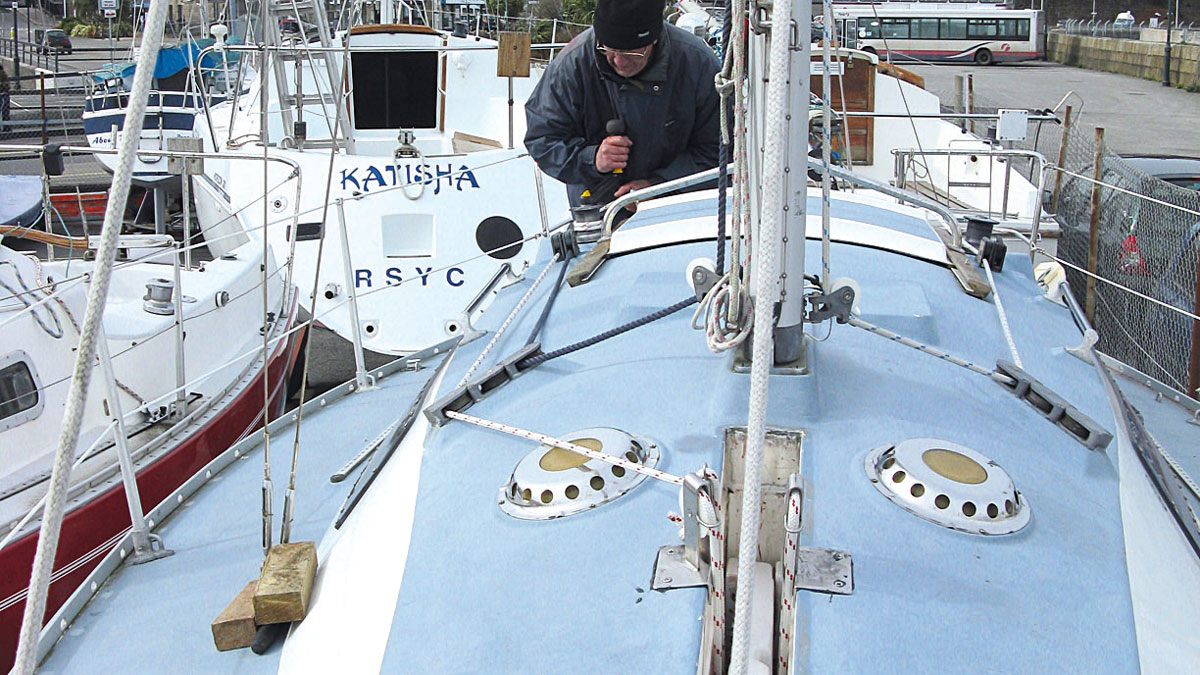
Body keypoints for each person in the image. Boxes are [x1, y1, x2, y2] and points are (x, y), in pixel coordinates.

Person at [523, 0, 721, 212]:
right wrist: (593, 159)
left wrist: (658, 186)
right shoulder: (571, 64)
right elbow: (542, 139)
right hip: (597, 211)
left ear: (654, 39)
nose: (619, 62)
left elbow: (719, 150)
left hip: (678, 208)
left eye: (632, 53)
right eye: (610, 50)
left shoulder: (699, 64)